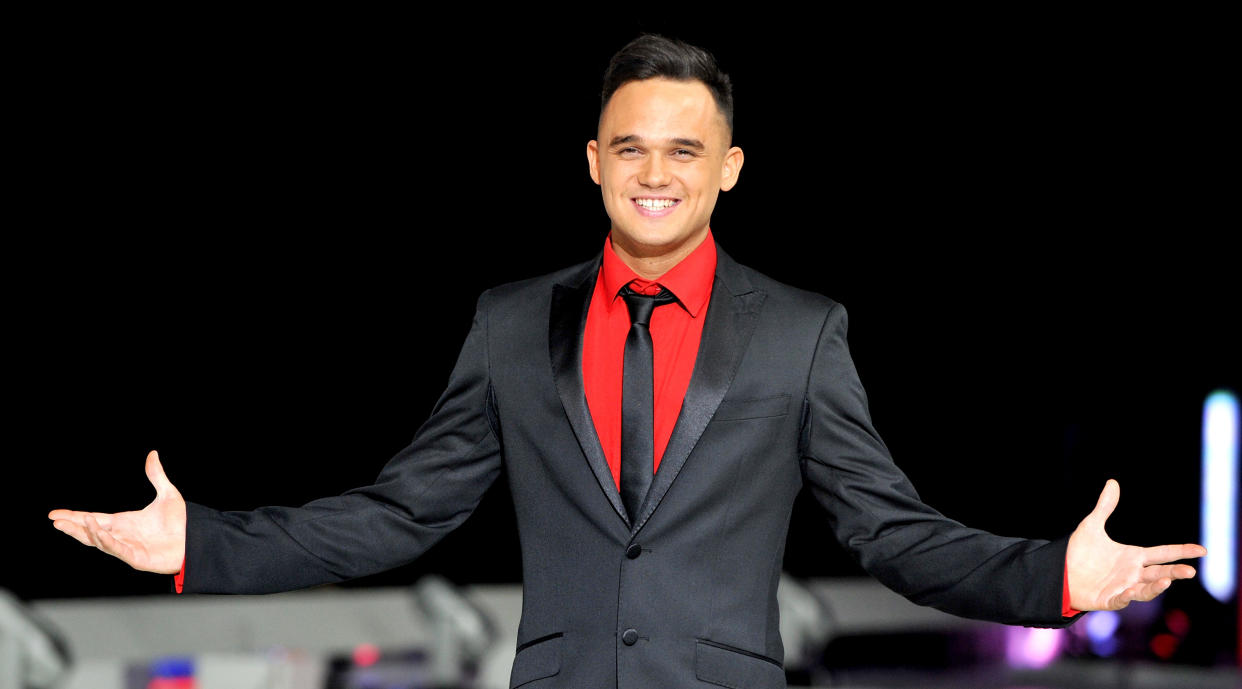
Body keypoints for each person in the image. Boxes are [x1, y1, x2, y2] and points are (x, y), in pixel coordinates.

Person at [49, 34, 1205, 689]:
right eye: (634, 147)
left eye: (687, 149)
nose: (659, 171)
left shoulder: (804, 331)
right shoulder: (509, 323)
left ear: (732, 166)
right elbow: (402, 514)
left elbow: (888, 531)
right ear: (594, 160)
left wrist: (1052, 576)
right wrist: (200, 540)